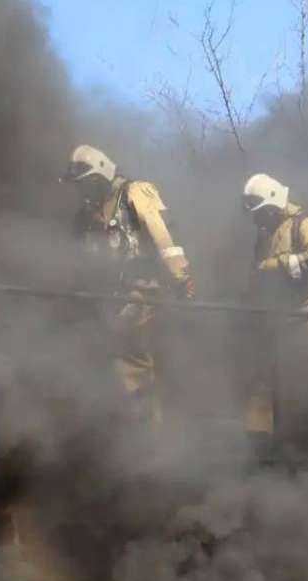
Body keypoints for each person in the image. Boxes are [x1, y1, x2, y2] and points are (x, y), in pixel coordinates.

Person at [61, 144, 194, 425]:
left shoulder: (134, 193)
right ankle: (130, 435)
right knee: (107, 360)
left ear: (99, 177)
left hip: (141, 293)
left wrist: (181, 277)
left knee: (130, 363)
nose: (82, 192)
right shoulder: (89, 215)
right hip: (110, 297)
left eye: (85, 185)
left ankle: (147, 441)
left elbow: (163, 235)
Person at [240, 172, 308, 440]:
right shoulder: (267, 235)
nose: (258, 220)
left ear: (275, 204)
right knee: (267, 389)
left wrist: (275, 265)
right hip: (277, 321)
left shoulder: (306, 224)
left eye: (262, 213)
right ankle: (265, 451)